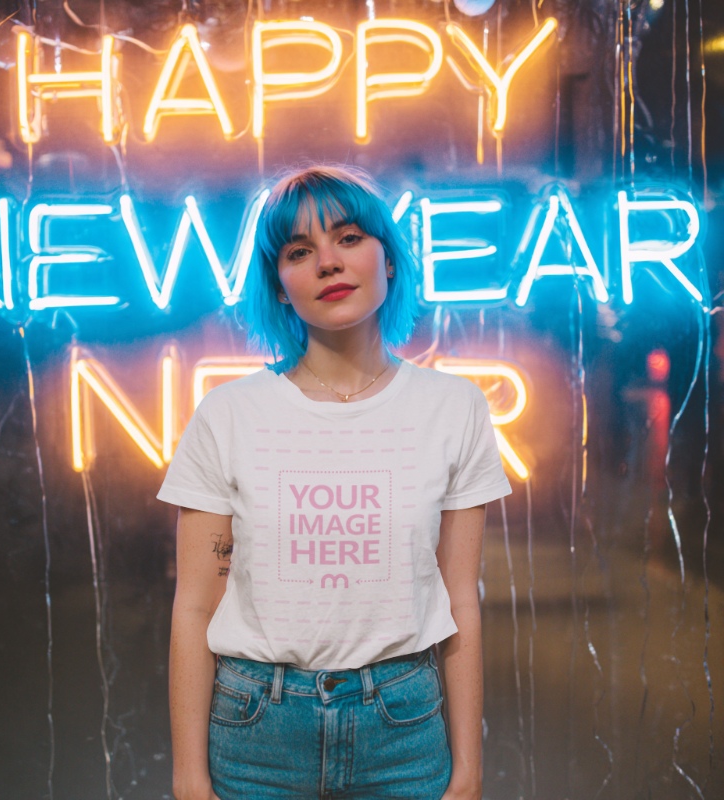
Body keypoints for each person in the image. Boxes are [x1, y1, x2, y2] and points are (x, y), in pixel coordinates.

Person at [158, 165, 512, 800]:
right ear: (281, 286)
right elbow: (194, 607)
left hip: (404, 727)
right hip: (256, 731)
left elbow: (460, 602)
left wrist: (469, 773)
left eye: (348, 238)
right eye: (300, 251)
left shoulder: (454, 407)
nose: (327, 262)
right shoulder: (228, 413)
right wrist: (189, 780)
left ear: (390, 260)